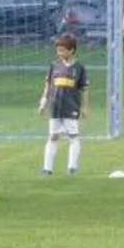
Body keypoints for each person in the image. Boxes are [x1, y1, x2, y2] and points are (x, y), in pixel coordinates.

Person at [38, 34, 89, 175]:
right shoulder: (54, 66)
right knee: (53, 136)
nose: (59, 53)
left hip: (71, 107)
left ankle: (72, 166)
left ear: (72, 50)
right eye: (58, 50)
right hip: (55, 107)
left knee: (73, 136)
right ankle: (47, 168)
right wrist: (43, 101)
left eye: (62, 50)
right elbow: (48, 85)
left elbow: (84, 89)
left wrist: (84, 107)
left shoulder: (79, 68)